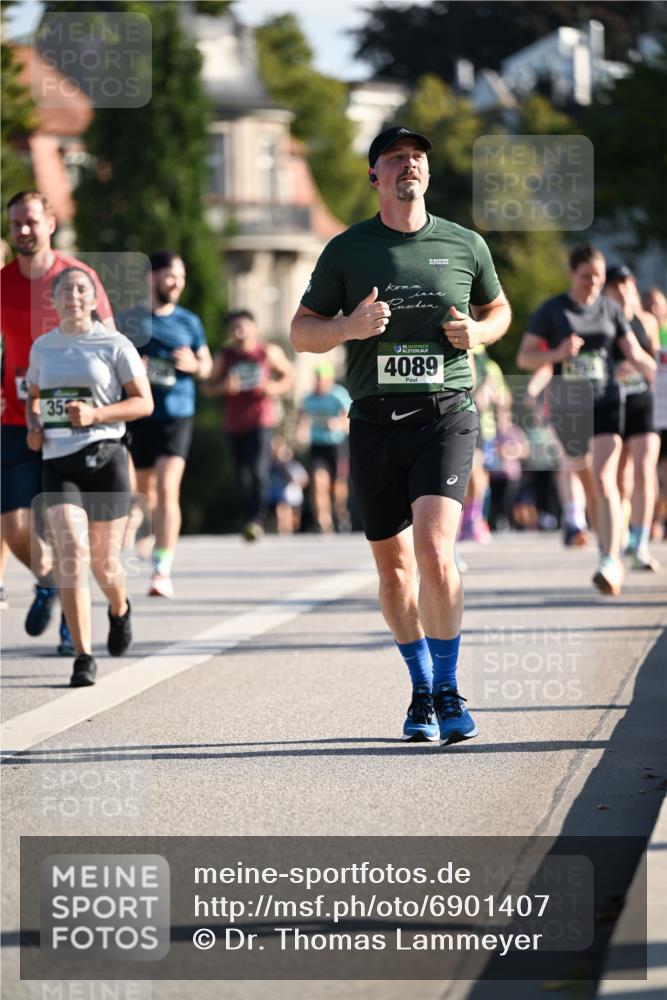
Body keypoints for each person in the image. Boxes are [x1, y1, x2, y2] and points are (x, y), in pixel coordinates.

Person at [291, 126, 511, 744]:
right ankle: (420, 686)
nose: (408, 165)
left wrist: (480, 334)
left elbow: (499, 310)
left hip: (446, 412)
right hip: (373, 421)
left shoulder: (465, 243)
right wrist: (349, 326)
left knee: (435, 551)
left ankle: (448, 687)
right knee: (394, 572)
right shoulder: (346, 250)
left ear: (427, 174)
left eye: (417, 158)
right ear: (375, 176)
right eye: (395, 159)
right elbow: (302, 332)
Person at [26, 268, 152, 686]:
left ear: (94, 299)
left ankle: (120, 608)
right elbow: (35, 399)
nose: (74, 296)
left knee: (104, 565)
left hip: (105, 459)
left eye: (82, 289)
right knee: (71, 553)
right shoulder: (42, 347)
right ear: (54, 301)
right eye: (65, 290)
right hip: (58, 462)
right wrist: (34, 426)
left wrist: (96, 414)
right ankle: (83, 655)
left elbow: (143, 403)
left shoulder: (114, 344)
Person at [1, 191, 114, 652]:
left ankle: (73, 627)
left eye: (31, 221)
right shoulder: (3, 282)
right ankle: (48, 580)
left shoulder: (77, 278)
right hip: (17, 418)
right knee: (14, 528)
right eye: (16, 224)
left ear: (50, 223)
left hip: (73, 422)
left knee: (69, 531)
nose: (23, 231)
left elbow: (108, 339)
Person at [517, 244, 656, 596]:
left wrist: (657, 374)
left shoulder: (610, 309)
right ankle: (606, 547)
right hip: (569, 406)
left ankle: (611, 560)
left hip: (607, 400)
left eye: (598, 277)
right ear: (571, 273)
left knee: (605, 478)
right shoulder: (552, 310)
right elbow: (525, 358)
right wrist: (558, 353)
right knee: (588, 483)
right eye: (586, 277)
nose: (593, 283)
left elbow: (634, 353)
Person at [118, 251, 212, 597]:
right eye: (171, 275)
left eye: (181, 277)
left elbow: (207, 365)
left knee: (168, 488)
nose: (177, 283)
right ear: (151, 277)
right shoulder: (127, 321)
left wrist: (194, 365)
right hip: (139, 415)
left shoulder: (189, 322)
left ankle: (161, 569)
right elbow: (109, 363)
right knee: (145, 492)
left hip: (177, 413)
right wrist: (132, 369)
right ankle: (148, 531)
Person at [205, 310, 294, 541]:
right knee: (241, 474)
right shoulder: (224, 356)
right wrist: (223, 387)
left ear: (253, 328)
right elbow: (206, 387)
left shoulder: (267, 352)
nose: (239, 331)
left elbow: (288, 376)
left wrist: (272, 388)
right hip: (234, 423)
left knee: (258, 470)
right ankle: (246, 519)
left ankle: (256, 519)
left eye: (243, 326)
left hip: (261, 420)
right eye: (234, 328)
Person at [605, 265, 661, 570]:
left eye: (626, 284)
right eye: (615, 286)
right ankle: (623, 532)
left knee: (645, 470)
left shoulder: (647, 321)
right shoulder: (601, 322)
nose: (622, 290)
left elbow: (657, 361)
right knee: (620, 477)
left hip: (643, 401)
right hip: (613, 402)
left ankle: (640, 543)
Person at [297, 361, 351, 533]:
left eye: (322, 379)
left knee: (338, 486)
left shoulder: (338, 395)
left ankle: (341, 514)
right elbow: (303, 420)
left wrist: (339, 423)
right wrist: (302, 431)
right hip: (318, 445)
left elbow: (350, 418)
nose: (319, 382)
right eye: (317, 379)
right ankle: (323, 522)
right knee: (319, 483)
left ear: (329, 379)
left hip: (337, 446)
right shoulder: (308, 399)